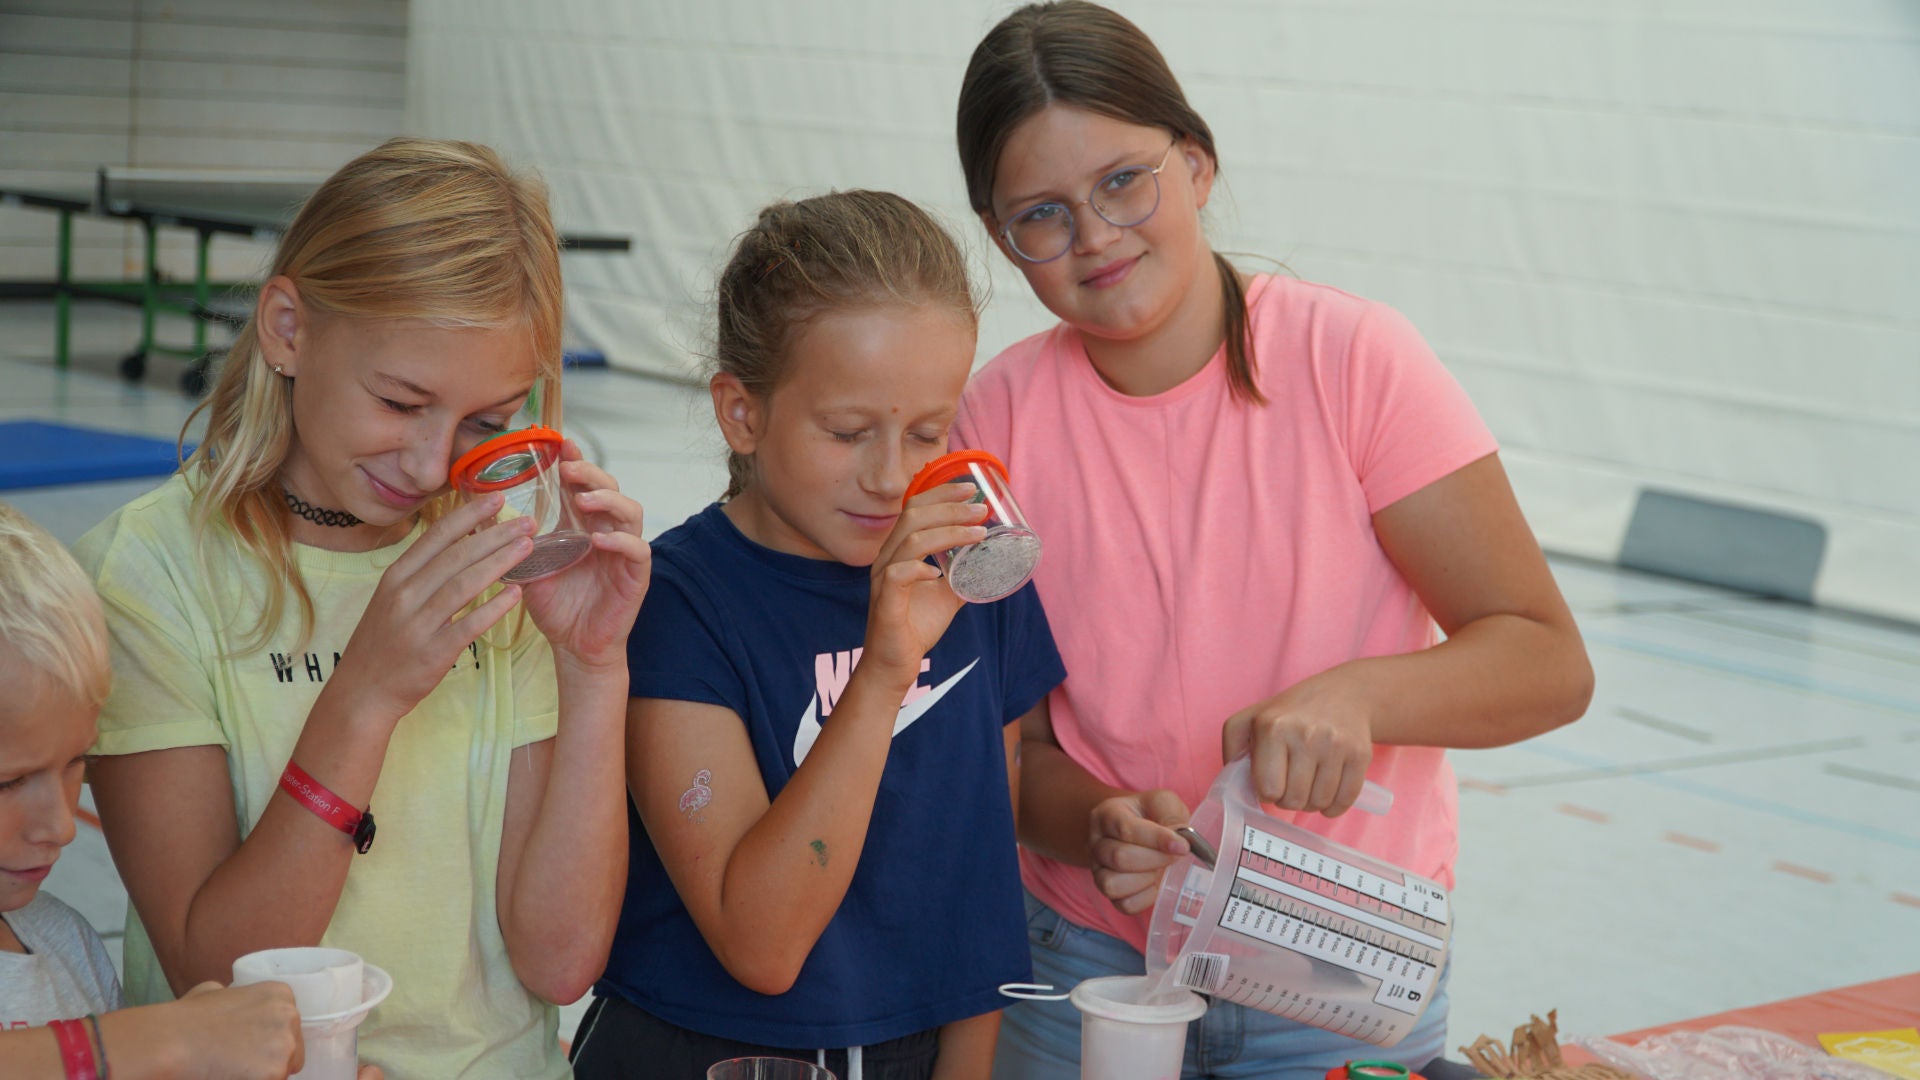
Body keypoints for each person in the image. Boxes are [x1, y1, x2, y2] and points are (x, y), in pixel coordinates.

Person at [952, 5, 1595, 1077]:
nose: (1097, 236)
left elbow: (1546, 660)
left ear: (1197, 163)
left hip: (1337, 970)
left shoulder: (1356, 363)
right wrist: (1097, 824)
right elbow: (999, 755)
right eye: (1043, 216)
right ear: (999, 234)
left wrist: (1362, 695)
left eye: (1124, 182)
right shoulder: (997, 425)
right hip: (1088, 973)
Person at [73, 138, 652, 1078]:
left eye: (486, 423)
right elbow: (214, 973)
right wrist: (366, 694)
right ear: (288, 328)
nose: (431, 467)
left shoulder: (506, 564)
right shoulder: (150, 573)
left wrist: (594, 669)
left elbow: (560, 959)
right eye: (398, 401)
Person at [570, 191, 1065, 1080]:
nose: (892, 476)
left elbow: (979, 878)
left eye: (927, 431)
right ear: (742, 414)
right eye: (847, 432)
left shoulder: (971, 573)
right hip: (705, 1049)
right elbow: (761, 945)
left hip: (911, 1048)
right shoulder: (676, 606)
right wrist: (883, 670)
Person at [0, 501, 388, 1079]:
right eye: (7, 782)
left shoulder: (63, 946)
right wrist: (163, 1039)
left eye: (76, 761)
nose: (59, 826)